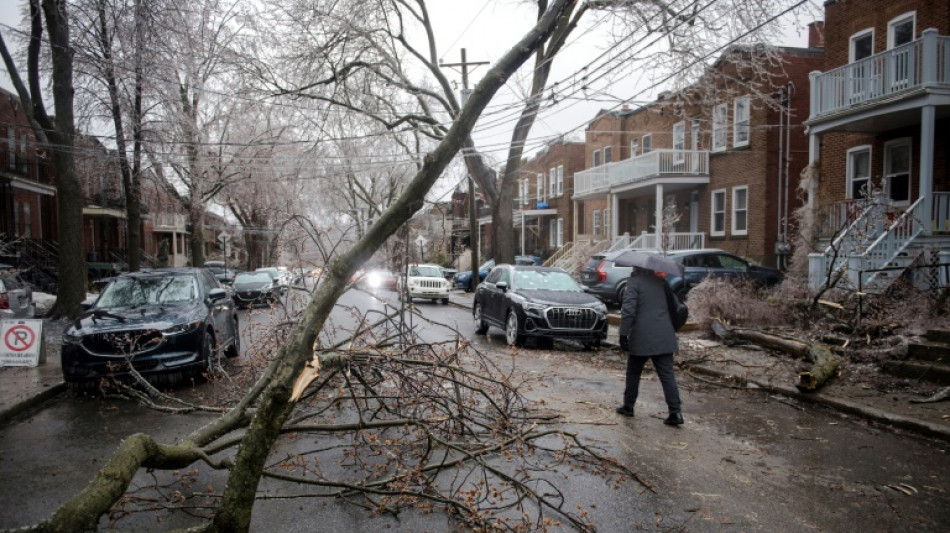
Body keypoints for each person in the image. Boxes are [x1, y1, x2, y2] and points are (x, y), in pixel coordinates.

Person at [616, 266, 684, 426]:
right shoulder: (661, 282)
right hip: (664, 334)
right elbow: (673, 306)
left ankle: (628, 406)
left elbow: (628, 311)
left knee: (633, 372)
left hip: (642, 335)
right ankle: (676, 412)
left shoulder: (634, 283)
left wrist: (623, 334)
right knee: (667, 374)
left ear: (636, 267)